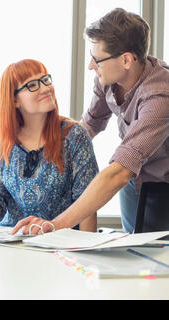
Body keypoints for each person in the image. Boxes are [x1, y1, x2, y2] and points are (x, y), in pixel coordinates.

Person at [13, 8, 169, 235]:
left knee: (155, 259)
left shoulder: (160, 96)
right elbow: (89, 125)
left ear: (127, 60)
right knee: (132, 250)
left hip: (162, 185)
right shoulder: (108, 76)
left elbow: (119, 171)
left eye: (97, 59)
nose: (90, 66)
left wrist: (54, 225)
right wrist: (45, 157)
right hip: (133, 181)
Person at [0, 59, 98, 232]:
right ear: (14, 100)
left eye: (45, 80)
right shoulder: (1, 142)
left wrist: (85, 251)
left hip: (60, 244)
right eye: (32, 85)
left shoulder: (74, 135)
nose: (46, 88)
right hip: (12, 243)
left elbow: (88, 204)